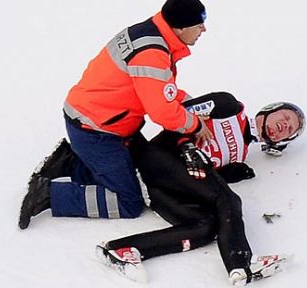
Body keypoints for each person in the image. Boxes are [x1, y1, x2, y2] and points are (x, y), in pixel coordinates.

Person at [38, 92, 305, 286]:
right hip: (161, 155)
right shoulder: (229, 106)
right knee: (229, 200)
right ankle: (242, 263)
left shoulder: (242, 154)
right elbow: (179, 114)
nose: (284, 126)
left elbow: (200, 180)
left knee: (207, 225)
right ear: (270, 109)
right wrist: (185, 146)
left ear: (281, 143)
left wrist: (225, 172)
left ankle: (122, 250)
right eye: (285, 117)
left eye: (289, 130)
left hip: (162, 186)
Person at [18, 0, 211, 230]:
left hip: (98, 121)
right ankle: (50, 194)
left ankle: (70, 162)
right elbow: (162, 111)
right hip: (95, 131)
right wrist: (195, 126)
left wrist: (188, 103)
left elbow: (155, 89)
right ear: (180, 27)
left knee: (139, 171)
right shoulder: (151, 53)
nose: (203, 30)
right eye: (200, 24)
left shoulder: (152, 34)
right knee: (128, 201)